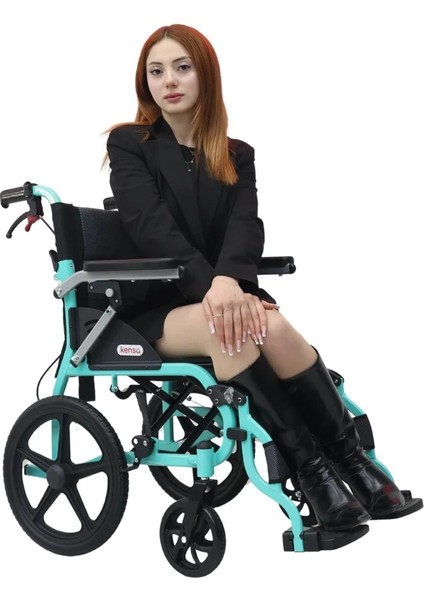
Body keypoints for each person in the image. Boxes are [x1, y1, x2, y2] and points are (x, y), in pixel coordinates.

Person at [106, 23, 412, 531]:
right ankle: (312, 475)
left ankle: (352, 461)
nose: (169, 81)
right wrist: (216, 287)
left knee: (273, 326)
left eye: (182, 67)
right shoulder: (129, 144)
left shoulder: (236, 153)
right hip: (155, 302)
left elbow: (245, 226)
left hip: (223, 292)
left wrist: (231, 283)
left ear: (205, 75)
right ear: (146, 83)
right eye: (156, 72)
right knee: (229, 330)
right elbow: (149, 226)